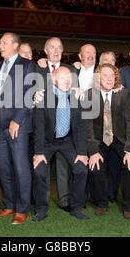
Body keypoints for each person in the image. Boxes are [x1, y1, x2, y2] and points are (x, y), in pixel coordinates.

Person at [0, 32, 35, 224]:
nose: (0, 45)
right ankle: (9, 205)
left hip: (17, 125)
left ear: (15, 45)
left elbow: (29, 95)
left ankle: (23, 209)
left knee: (21, 167)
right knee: (3, 166)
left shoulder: (27, 64)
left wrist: (17, 119)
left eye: (4, 42)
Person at [33, 66, 89, 221]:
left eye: (69, 78)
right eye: (63, 78)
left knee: (82, 170)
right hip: (47, 142)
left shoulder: (76, 97)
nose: (67, 81)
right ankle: (41, 209)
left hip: (67, 141)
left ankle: (76, 207)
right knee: (39, 171)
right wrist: (38, 153)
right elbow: (39, 127)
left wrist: (82, 153)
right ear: (54, 79)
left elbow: (80, 127)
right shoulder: (43, 97)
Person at [87, 64, 130, 219]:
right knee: (96, 168)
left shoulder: (124, 94)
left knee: (129, 166)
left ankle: (129, 206)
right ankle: (102, 203)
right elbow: (87, 127)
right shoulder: (90, 95)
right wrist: (93, 151)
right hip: (98, 139)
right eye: (104, 75)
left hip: (119, 138)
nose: (109, 79)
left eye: (111, 76)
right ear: (98, 77)